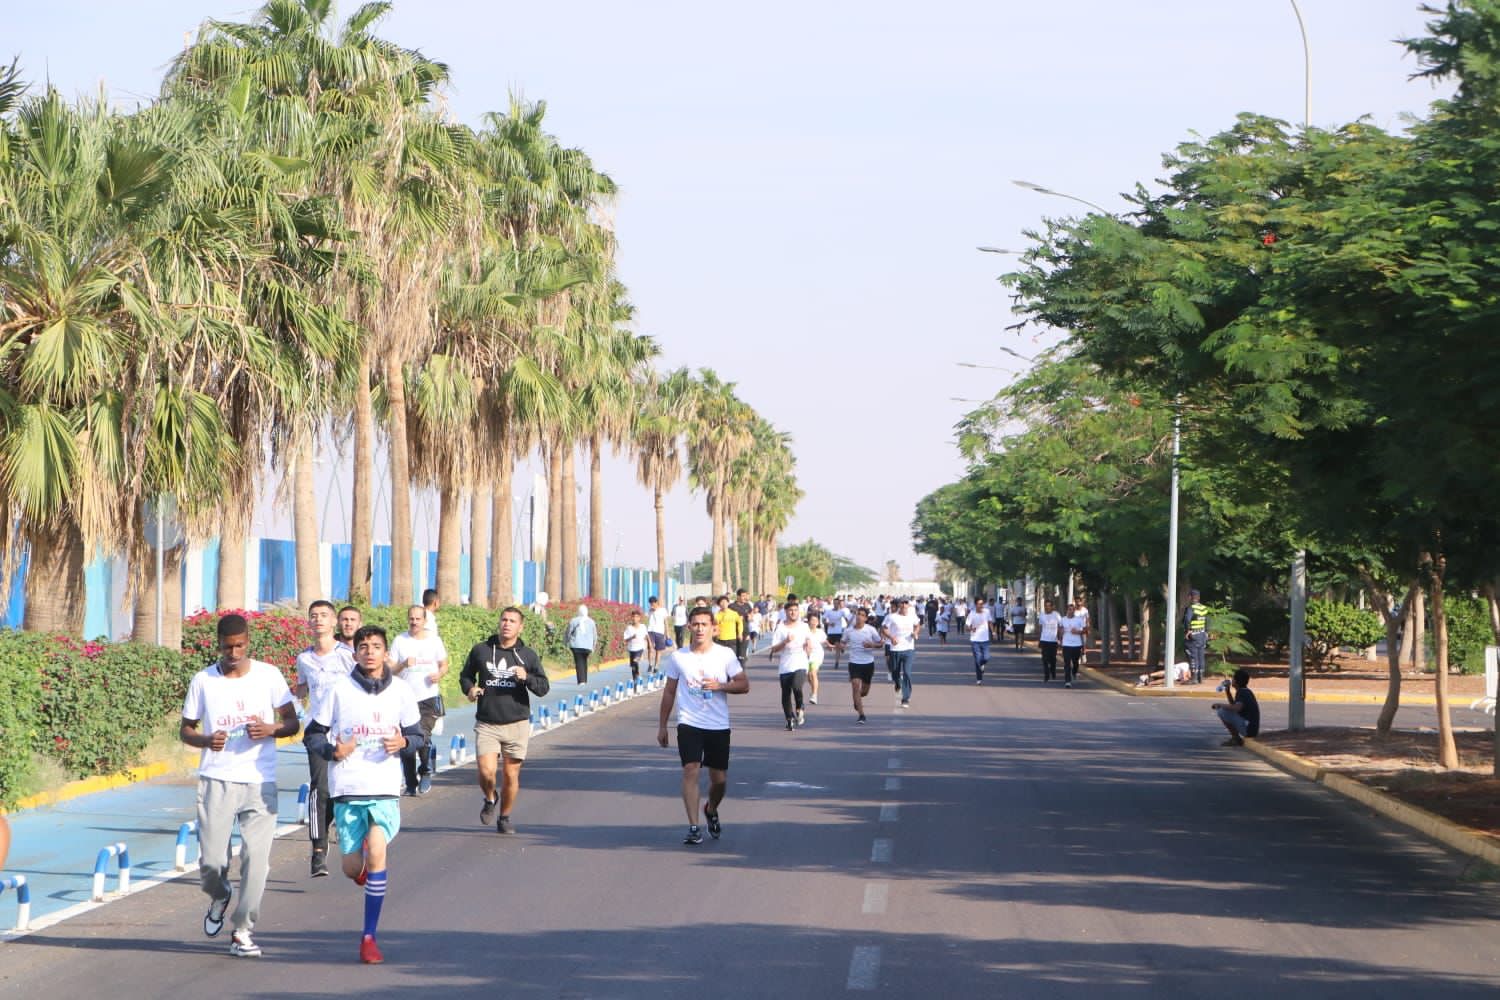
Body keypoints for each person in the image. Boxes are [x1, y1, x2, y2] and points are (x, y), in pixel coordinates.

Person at [180, 614, 300, 958]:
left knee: (256, 862)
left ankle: (243, 929)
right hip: (217, 779)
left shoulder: (269, 676)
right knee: (211, 863)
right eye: (227, 646)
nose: (234, 652)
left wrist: (271, 729)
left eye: (240, 645)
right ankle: (219, 895)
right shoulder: (204, 680)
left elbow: (292, 721)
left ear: (249, 643)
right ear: (218, 645)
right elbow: (185, 729)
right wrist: (206, 740)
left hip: (260, 782)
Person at [304, 624, 426, 965]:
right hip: (348, 789)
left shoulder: (401, 691)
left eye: (376, 646)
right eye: (364, 646)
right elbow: (313, 735)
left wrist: (403, 743)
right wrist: (333, 751)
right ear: (354, 652)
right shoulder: (340, 691)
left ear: (386, 652)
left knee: (377, 851)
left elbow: (418, 737)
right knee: (350, 867)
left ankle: (369, 936)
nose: (370, 651)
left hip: (384, 789)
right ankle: (361, 870)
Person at [657, 605, 749, 845]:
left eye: (704, 624)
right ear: (688, 627)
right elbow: (669, 692)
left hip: (717, 724)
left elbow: (743, 684)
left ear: (713, 628)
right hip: (689, 722)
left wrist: (721, 686)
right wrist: (662, 726)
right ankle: (693, 826)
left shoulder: (725, 655)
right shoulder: (678, 657)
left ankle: (711, 808)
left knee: (719, 780)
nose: (699, 628)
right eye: (695, 624)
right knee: (691, 769)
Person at [460, 606, 551, 835]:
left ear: (520, 627)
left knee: (511, 775)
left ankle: (504, 817)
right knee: (486, 771)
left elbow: (543, 687)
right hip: (488, 722)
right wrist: (470, 689)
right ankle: (490, 798)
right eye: (504, 619)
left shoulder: (527, 655)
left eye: (512, 621)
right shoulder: (481, 650)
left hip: (516, 723)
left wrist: (527, 677)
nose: (506, 624)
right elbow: (466, 676)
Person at [294, 600, 356, 877]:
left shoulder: (347, 655)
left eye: (323, 616)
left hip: (345, 731)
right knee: (319, 788)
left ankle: (337, 827)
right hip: (317, 732)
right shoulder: (304, 658)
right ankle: (318, 851)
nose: (318, 620)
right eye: (313, 616)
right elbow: (301, 690)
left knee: (341, 789)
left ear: (334, 622)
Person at [389, 604, 448, 797]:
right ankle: (410, 782)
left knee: (422, 737)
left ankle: (426, 771)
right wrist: (403, 664)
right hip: (405, 699)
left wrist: (439, 675)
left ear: (424, 621)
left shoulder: (434, 641)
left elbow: (444, 664)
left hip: (428, 697)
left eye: (418, 619)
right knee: (406, 742)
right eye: (411, 619)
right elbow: (390, 670)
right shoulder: (400, 641)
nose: (414, 622)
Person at [769, 600, 813, 730]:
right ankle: (789, 719)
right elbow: (774, 648)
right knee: (786, 693)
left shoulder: (804, 626)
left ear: (798, 612)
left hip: (800, 661)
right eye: (790, 610)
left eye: (795, 610)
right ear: (786, 612)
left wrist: (808, 645)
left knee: (797, 686)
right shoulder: (781, 627)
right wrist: (785, 641)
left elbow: (808, 639)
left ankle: (800, 706)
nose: (793, 613)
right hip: (785, 664)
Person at [840, 607, 882, 724]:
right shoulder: (848, 631)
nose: (859, 617)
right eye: (858, 614)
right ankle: (861, 715)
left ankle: (857, 700)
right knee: (855, 685)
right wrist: (842, 647)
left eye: (862, 615)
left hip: (868, 663)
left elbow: (880, 644)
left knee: (864, 691)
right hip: (854, 663)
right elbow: (843, 642)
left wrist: (871, 645)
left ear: (866, 618)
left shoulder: (871, 630)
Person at [881, 598, 920, 708]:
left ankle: (905, 698)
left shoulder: (912, 615)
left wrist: (915, 633)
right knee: (895, 673)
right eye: (901, 603)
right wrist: (891, 637)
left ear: (908, 605)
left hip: (909, 649)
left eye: (906, 603)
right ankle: (898, 683)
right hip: (895, 649)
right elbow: (884, 629)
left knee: (907, 673)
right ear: (899, 606)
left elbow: (917, 625)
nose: (903, 605)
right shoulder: (891, 617)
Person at [1212, 668, 1260, 746]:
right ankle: (1236, 738)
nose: (1232, 681)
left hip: (1249, 729)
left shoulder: (1242, 692)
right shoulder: (1244, 691)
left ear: (1236, 682)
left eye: (1233, 679)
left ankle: (1236, 738)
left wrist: (1220, 705)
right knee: (1225, 710)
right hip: (1251, 728)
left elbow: (1236, 708)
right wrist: (1228, 691)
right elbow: (1234, 706)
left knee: (1221, 711)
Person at [565, 604, 597, 685]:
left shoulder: (574, 620)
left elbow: (568, 632)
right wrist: (593, 646)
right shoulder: (591, 621)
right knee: (584, 661)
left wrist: (566, 642)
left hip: (576, 645)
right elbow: (595, 636)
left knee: (579, 662)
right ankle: (584, 680)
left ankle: (581, 681)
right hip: (588, 647)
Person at [1184, 589, 1209, 685]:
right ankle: (1201, 677)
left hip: (1194, 635)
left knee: (1193, 656)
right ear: (1198, 598)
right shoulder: (1203, 608)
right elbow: (1207, 620)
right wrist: (1206, 632)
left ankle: (1194, 678)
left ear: (1191, 597)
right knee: (1201, 656)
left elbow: (1187, 619)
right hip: (1202, 635)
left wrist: (1188, 630)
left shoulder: (1191, 608)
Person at [1060, 600, 1086, 688]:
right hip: (1066, 645)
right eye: (1069, 610)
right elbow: (1059, 631)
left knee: (1075, 663)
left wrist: (1078, 631)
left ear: (1074, 611)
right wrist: (1061, 632)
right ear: (1067, 610)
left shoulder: (1079, 620)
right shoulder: (1063, 620)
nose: (1070, 611)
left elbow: (1085, 630)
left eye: (1072, 610)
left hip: (1076, 645)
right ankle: (1067, 681)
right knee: (1067, 663)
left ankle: (1074, 672)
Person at [967, 596, 994, 683]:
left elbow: (990, 622)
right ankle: (979, 678)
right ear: (976, 604)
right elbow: (967, 625)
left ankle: (982, 665)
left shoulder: (987, 612)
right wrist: (971, 629)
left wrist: (993, 632)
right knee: (978, 658)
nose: (981, 605)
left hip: (985, 639)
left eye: (982, 604)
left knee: (986, 657)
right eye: (979, 604)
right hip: (975, 640)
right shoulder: (972, 613)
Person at [806, 611, 830, 705]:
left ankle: (814, 695)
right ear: (808, 621)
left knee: (813, 672)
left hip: (817, 654)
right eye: (812, 620)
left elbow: (825, 641)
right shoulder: (804, 631)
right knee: (809, 676)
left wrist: (829, 646)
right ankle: (813, 690)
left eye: (816, 620)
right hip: (805, 655)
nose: (814, 622)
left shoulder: (820, 632)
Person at [1037, 598, 1062, 683]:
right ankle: (1046, 674)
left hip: (1053, 640)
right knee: (1044, 658)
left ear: (1052, 607)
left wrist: (1059, 638)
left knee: (1052, 658)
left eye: (1048, 606)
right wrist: (1039, 639)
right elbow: (1040, 627)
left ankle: (1053, 670)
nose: (1047, 608)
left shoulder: (1056, 615)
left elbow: (1060, 627)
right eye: (1045, 606)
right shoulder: (1042, 615)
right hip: (1044, 639)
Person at [729, 589, 755, 666]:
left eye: (746, 596)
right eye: (743, 596)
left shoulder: (747, 605)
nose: (745, 598)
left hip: (745, 633)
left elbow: (751, 616)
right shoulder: (731, 606)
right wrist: (736, 618)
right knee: (734, 655)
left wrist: (750, 617)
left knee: (742, 656)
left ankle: (741, 673)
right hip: (734, 633)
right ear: (738, 596)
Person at [714, 594, 744, 659]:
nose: (723, 604)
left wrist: (740, 633)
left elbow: (740, 623)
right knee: (721, 659)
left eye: (725, 602)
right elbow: (715, 626)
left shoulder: (734, 613)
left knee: (732, 658)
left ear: (728, 603)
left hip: (732, 639)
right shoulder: (716, 615)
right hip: (721, 640)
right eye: (721, 602)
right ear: (719, 605)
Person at [623, 609, 650, 681]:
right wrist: (632, 637)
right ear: (631, 618)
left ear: (639, 618)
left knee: (635, 661)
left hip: (640, 648)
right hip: (632, 649)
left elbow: (647, 635)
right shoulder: (629, 628)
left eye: (637, 617)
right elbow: (625, 640)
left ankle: (637, 673)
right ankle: (635, 679)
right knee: (633, 666)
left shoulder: (643, 626)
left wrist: (650, 644)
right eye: (633, 617)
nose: (635, 618)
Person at [823, 598, 850, 668]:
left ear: (839, 604)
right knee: (830, 647)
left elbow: (847, 619)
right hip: (830, 632)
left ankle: (836, 662)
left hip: (838, 632)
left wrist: (848, 627)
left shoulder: (841, 612)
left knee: (837, 647)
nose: (836, 605)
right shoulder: (829, 611)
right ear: (833, 604)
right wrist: (829, 624)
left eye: (837, 603)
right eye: (834, 603)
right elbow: (823, 620)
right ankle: (842, 647)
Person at [646, 595, 670, 673]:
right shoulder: (650, 611)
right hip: (650, 631)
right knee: (650, 647)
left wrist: (667, 634)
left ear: (656, 602)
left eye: (653, 603)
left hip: (660, 632)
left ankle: (656, 666)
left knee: (658, 650)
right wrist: (652, 611)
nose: (652, 605)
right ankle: (650, 664)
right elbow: (648, 620)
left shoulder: (663, 610)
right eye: (650, 604)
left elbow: (666, 622)